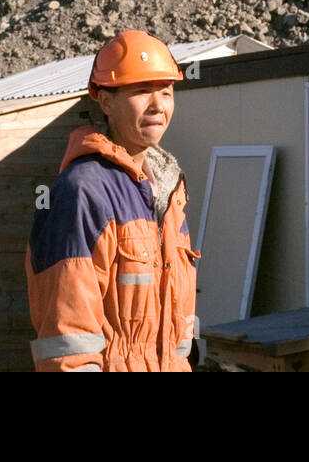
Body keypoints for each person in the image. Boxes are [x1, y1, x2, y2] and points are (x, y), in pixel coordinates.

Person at [26, 30, 198, 371]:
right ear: (105, 102)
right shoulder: (82, 192)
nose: (158, 106)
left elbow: (178, 342)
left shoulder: (169, 194)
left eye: (166, 92)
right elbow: (69, 341)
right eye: (141, 92)